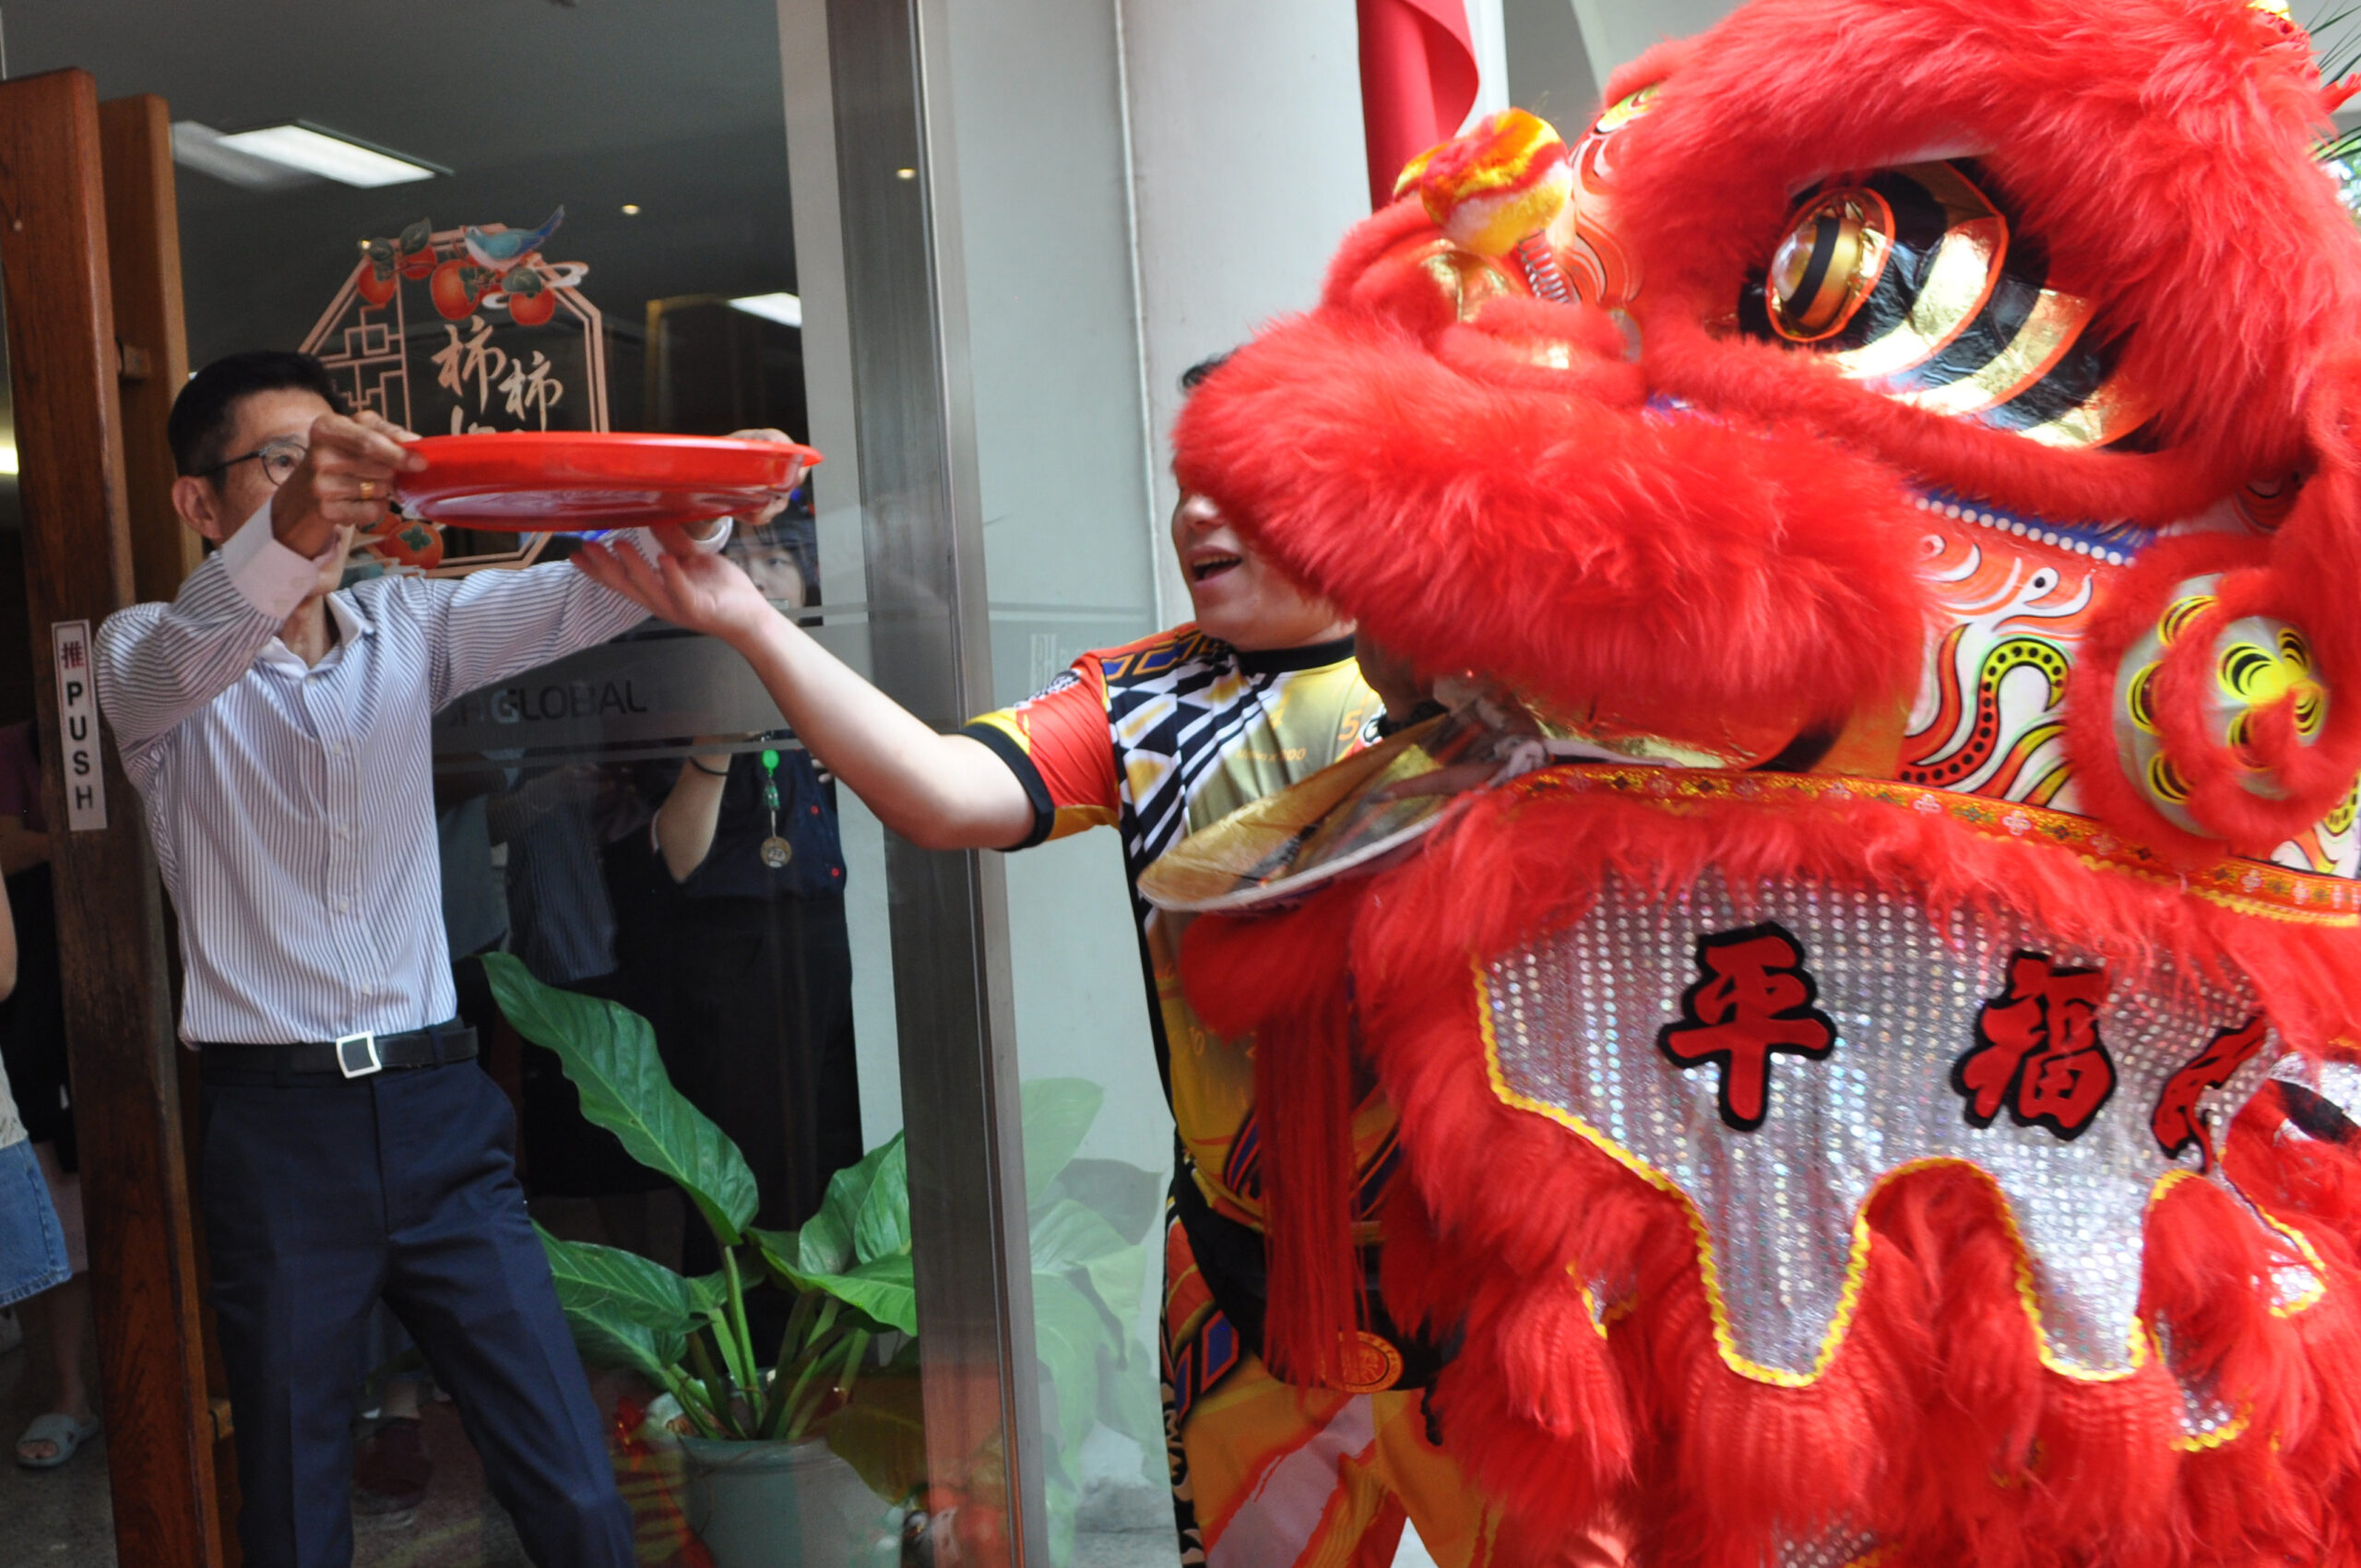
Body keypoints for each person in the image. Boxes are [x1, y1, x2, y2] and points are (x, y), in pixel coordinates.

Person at [575, 373, 1565, 1567]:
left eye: (1241, 487)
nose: (1197, 515)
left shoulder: (1491, 690)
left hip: (1485, 1278)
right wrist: (749, 621)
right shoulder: (1138, 699)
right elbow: (941, 792)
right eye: (1186, 486)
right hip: (1241, 1280)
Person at [93, 350, 755, 1568]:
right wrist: (301, 517)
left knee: (575, 1486)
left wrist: (712, 496)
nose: (325, 491)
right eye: (283, 462)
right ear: (198, 503)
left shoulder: (407, 624)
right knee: (293, 1512)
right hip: (279, 1134)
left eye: (333, 459)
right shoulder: (143, 657)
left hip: (444, 1113)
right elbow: (198, 640)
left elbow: (592, 594)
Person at [650, 508, 860, 1249]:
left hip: (822, 933)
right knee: (750, 1161)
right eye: (744, 561)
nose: (763, 579)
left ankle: (814, 1314)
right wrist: (719, 742)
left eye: (779, 562)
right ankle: (756, 1319)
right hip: (737, 950)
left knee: (831, 1144)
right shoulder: (686, 673)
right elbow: (678, 856)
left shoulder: (817, 667)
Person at [0, 720, 98, 1469]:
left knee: (60, 1193)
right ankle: (59, 1388)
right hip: (29, 1003)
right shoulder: (11, 747)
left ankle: (69, 1391)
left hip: (73, 989)